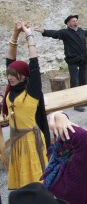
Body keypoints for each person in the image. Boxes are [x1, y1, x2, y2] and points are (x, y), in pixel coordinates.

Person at [2, 21, 50, 190]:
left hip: (31, 141)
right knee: (22, 184)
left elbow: (34, 64)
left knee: (36, 180)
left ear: (23, 76)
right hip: (17, 140)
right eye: (8, 75)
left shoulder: (32, 91)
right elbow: (10, 60)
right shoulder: (11, 89)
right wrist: (15, 34)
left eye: (14, 75)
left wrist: (29, 35)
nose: (10, 77)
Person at [35, 15, 87, 112]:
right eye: (73, 21)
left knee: (83, 80)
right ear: (68, 23)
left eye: (76, 20)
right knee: (75, 81)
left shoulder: (81, 31)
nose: (75, 22)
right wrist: (43, 31)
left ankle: (84, 100)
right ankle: (76, 104)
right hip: (73, 61)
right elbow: (54, 33)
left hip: (83, 60)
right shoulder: (65, 33)